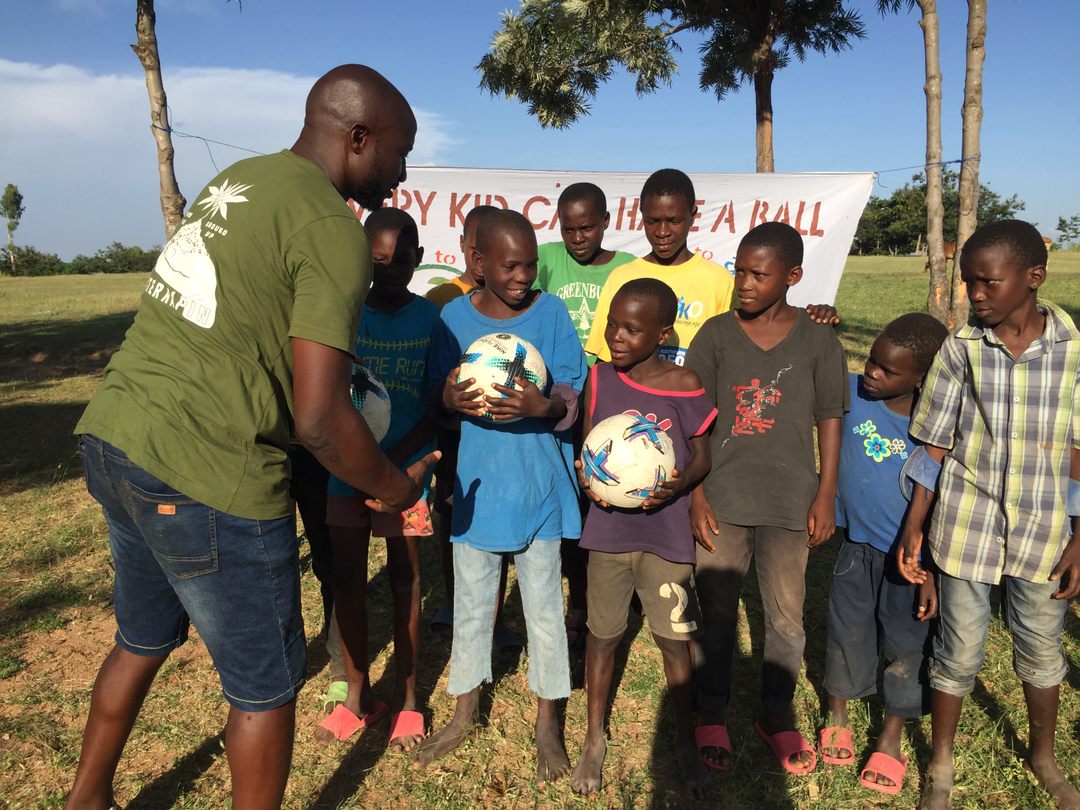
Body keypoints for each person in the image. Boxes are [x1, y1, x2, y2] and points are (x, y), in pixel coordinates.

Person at [67, 65, 436, 810]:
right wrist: (396, 488)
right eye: (398, 153)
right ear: (358, 138)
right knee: (265, 688)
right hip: (208, 471)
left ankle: (86, 799)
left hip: (117, 438)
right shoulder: (332, 229)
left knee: (140, 639)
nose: (401, 173)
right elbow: (319, 420)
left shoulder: (241, 179)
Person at [896, 220, 1080, 810]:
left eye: (988, 282)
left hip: (1044, 532)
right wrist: (915, 523)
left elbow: (1079, 453)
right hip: (966, 527)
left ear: (1033, 277)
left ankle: (1043, 756)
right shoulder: (962, 348)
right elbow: (934, 445)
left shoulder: (1074, 352)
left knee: (1041, 648)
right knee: (957, 651)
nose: (975, 294)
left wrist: (1079, 536)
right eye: (968, 281)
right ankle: (940, 764)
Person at [415, 209, 587, 783]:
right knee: (471, 605)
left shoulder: (551, 312)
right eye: (510, 266)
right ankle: (464, 712)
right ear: (478, 262)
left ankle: (548, 722)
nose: (522, 276)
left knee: (544, 610)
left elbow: (572, 391)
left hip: (538, 487)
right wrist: (447, 399)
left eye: (530, 265)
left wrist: (545, 405)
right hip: (479, 491)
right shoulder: (453, 318)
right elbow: (435, 397)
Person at [685, 221, 848, 775]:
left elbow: (830, 417)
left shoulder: (819, 339)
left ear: (792, 276)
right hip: (723, 498)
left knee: (786, 616)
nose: (745, 283)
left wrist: (826, 493)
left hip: (790, 501)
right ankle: (711, 710)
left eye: (759, 274)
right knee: (716, 610)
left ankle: (776, 713)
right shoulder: (715, 335)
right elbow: (694, 422)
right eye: (740, 271)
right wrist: (697, 494)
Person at [570, 278, 716, 798]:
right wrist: (590, 480)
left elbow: (703, 454)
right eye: (612, 324)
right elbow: (587, 447)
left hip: (666, 533)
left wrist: (681, 483)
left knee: (674, 641)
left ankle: (683, 739)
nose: (617, 336)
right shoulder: (598, 377)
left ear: (662, 334)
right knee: (602, 635)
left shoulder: (684, 382)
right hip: (608, 531)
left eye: (632, 329)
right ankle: (594, 737)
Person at [315, 207, 438, 751]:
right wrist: (352, 459)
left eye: (400, 259)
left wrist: (402, 469)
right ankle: (357, 695)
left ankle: (408, 698)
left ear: (418, 258)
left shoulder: (431, 320)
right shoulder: (344, 314)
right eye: (378, 260)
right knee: (347, 582)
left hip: (406, 476)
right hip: (345, 471)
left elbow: (438, 404)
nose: (389, 270)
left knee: (406, 580)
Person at [818, 313, 948, 797]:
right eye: (871, 360)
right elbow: (816, 367)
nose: (871, 372)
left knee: (906, 646)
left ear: (921, 378)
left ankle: (891, 736)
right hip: (856, 548)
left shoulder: (937, 429)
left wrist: (931, 570)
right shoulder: (851, 394)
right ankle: (837, 714)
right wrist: (823, 329)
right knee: (845, 631)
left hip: (912, 563)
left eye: (887, 369)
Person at [584, 169, 840, 368]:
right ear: (641, 215)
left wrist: (814, 317)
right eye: (652, 221)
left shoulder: (719, 280)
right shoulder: (622, 277)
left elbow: (756, 334)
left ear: (693, 215)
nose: (662, 231)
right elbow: (605, 360)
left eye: (673, 221)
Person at [534, 181, 635, 651]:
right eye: (569, 229)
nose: (577, 238)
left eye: (587, 228)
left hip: (610, 401)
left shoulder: (627, 268)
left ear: (606, 222)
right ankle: (578, 601)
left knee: (609, 495)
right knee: (573, 503)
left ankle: (622, 590)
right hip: (557, 403)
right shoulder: (544, 260)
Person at [424, 205, 521, 659]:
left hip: (497, 437)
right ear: (466, 248)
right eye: (474, 249)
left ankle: (494, 618)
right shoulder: (444, 299)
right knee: (452, 516)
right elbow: (433, 370)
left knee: (493, 520)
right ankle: (454, 601)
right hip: (453, 433)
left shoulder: (512, 301)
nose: (481, 260)